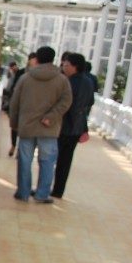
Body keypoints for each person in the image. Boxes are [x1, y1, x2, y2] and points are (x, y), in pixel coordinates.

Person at [8, 46, 72, 203]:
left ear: (36, 59)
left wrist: (14, 123)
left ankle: (23, 193)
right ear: (53, 58)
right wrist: (52, 115)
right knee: (47, 162)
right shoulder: (62, 80)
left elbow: (14, 103)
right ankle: (42, 194)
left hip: (27, 126)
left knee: (24, 161)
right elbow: (66, 101)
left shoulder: (26, 78)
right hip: (49, 128)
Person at [52, 52, 94, 199]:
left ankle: (45, 188)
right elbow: (90, 103)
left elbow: (64, 104)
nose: (64, 66)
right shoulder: (88, 82)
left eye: (66, 64)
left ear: (74, 67)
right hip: (77, 128)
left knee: (51, 158)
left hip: (63, 126)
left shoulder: (67, 82)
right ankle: (58, 190)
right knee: (66, 160)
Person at [7, 53, 37, 156]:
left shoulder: (38, 75)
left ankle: (20, 150)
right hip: (20, 105)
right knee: (15, 128)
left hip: (31, 108)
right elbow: (14, 88)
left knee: (25, 130)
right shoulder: (21, 73)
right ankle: (13, 146)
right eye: (32, 60)